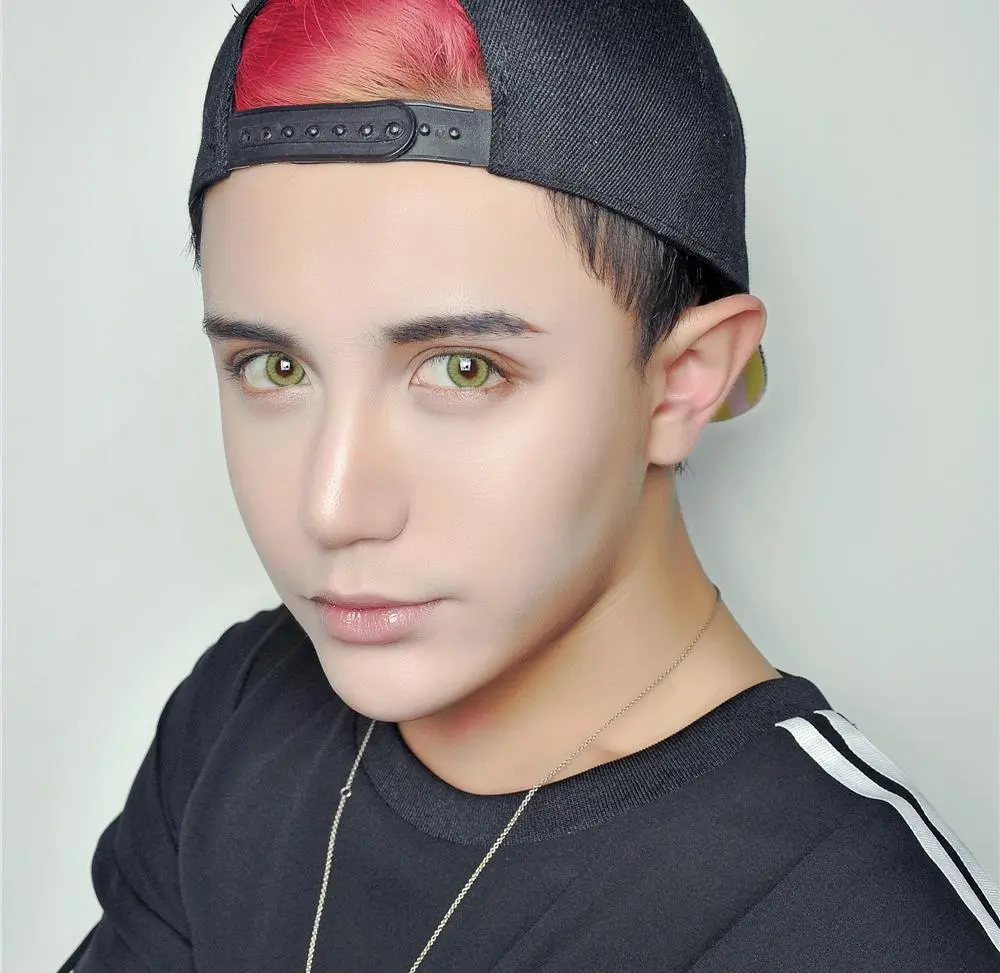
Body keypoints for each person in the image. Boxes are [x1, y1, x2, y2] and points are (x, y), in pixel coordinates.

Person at [61, 0, 998, 970]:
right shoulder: (244, 705)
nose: (331, 508)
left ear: (684, 380)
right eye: (275, 367)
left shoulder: (852, 928)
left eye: (463, 369)